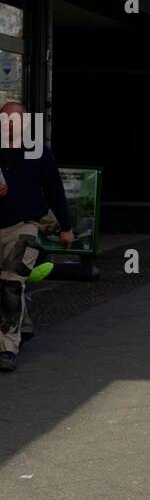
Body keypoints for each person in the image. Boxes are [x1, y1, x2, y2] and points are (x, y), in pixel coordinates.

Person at [0, 103, 74, 372]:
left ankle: (7, 347)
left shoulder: (38, 151)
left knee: (11, 283)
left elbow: (54, 189)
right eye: (5, 118)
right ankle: (25, 324)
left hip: (24, 227)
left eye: (15, 119)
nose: (9, 123)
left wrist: (66, 227)